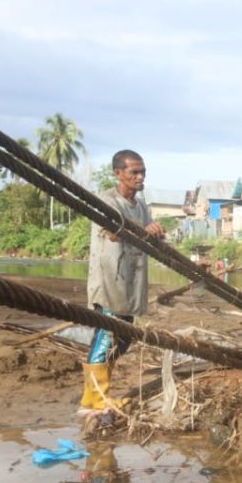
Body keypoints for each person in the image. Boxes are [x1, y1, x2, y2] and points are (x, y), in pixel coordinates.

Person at [79, 149, 165, 413]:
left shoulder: (141, 206)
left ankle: (101, 390)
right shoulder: (106, 200)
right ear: (118, 173)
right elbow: (114, 233)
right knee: (106, 336)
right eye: (134, 172)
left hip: (131, 281)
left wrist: (158, 234)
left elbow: (149, 236)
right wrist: (142, 231)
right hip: (109, 280)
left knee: (123, 340)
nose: (140, 177)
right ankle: (93, 398)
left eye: (142, 172)